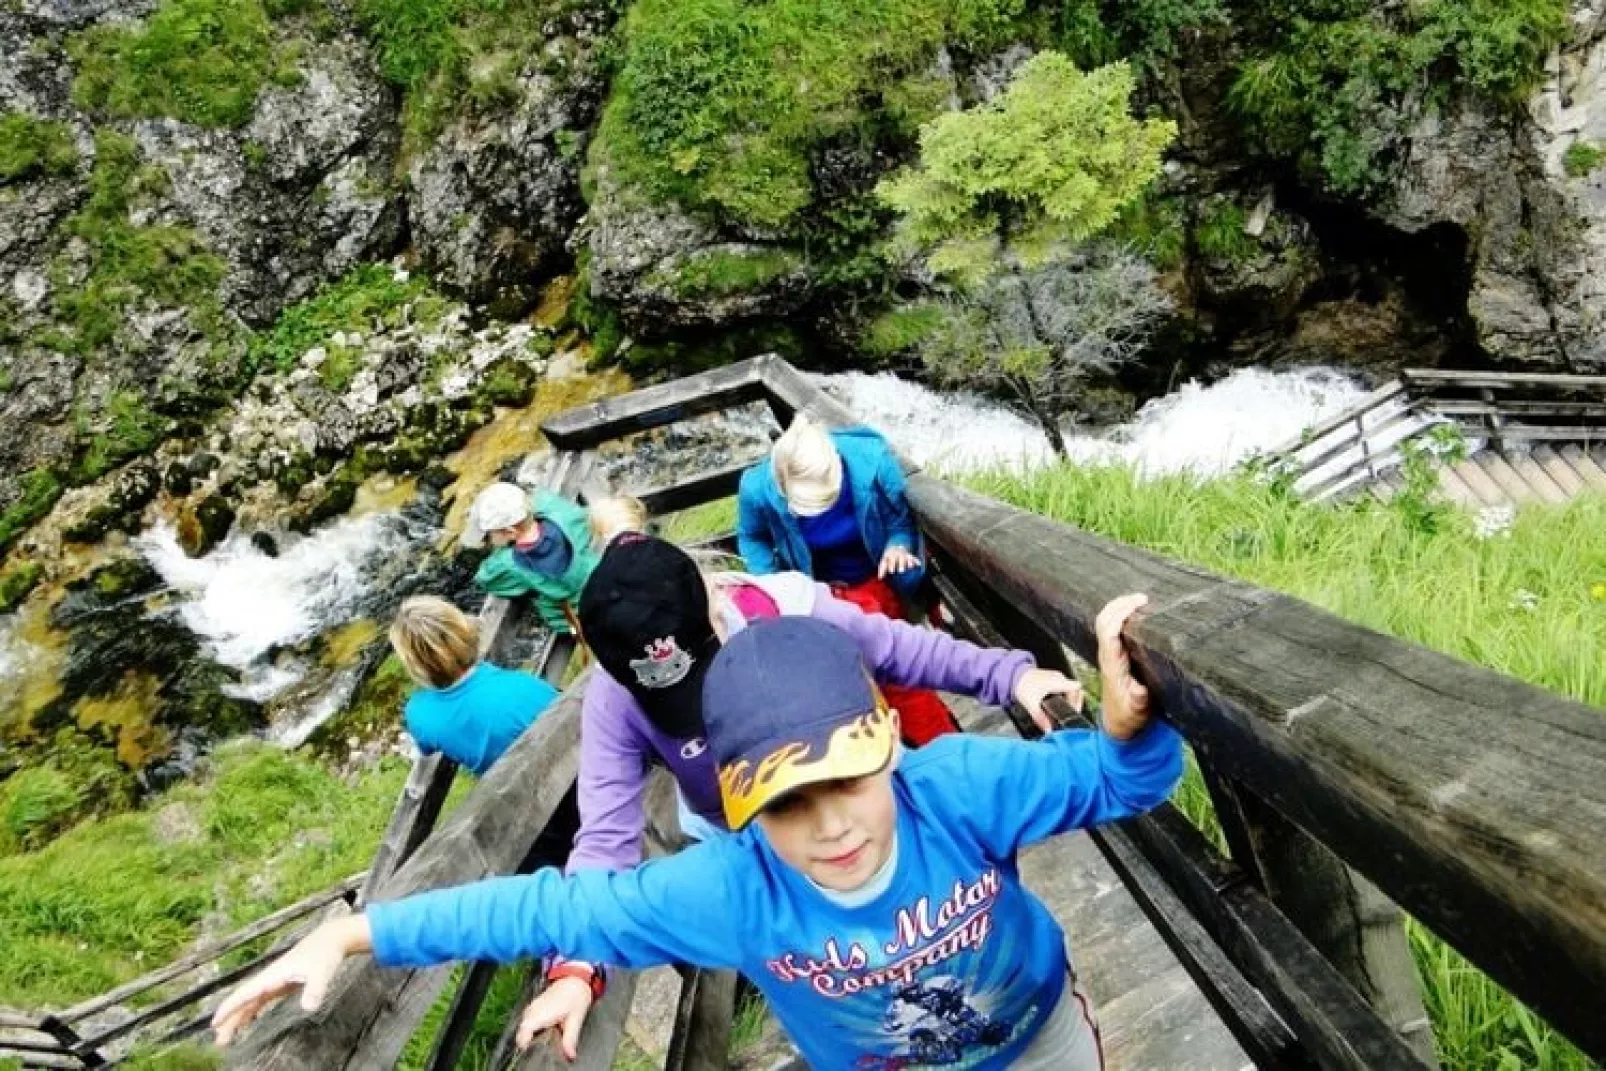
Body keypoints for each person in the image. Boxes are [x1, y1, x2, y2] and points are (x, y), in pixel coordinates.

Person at [212, 595, 1177, 1071]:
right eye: (786, 803)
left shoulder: (962, 786)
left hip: (1043, 1037)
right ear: (739, 805)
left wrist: (1133, 727)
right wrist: (357, 931)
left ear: (887, 746)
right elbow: (546, 903)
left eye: (845, 780)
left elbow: (1110, 778)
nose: (830, 825)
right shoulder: (730, 889)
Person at [737, 416, 959, 744]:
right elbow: (751, 536)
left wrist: (896, 545)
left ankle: (937, 741)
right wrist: (772, 583)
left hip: (877, 580)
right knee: (850, 677)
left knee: (895, 666)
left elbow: (901, 518)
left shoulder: (871, 461)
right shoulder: (757, 487)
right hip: (818, 590)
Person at [389, 595, 559, 776]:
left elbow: (426, 749)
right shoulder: (525, 688)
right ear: (462, 630)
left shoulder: (419, 714)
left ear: (415, 665)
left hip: (519, 792)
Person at [464, 482, 599, 634]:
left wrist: (503, 550)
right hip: (600, 580)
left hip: (578, 617)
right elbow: (544, 501)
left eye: (490, 534)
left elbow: (486, 578)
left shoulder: (510, 564)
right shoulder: (560, 515)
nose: (488, 538)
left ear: (510, 532)